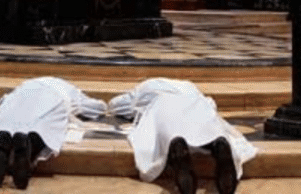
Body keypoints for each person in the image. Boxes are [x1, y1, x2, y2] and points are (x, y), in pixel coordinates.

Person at [108, 78, 256, 194]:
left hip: (163, 102)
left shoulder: (145, 87)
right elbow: (211, 104)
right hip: (195, 101)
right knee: (207, 126)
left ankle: (176, 148)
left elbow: (116, 105)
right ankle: (218, 144)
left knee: (164, 130)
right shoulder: (189, 86)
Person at [0, 76, 106, 189]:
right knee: (48, 126)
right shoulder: (69, 90)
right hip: (54, 98)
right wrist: (102, 105)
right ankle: (32, 145)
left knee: (6, 118)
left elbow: (2, 101)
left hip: (20, 96)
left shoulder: (25, 84)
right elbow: (95, 108)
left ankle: (0, 143)